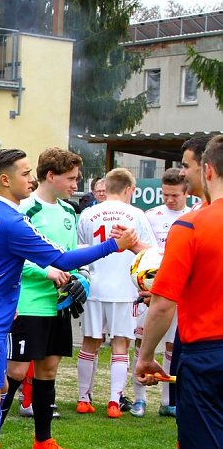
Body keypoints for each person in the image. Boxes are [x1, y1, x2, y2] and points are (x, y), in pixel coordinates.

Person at [0, 148, 137, 449]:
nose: (31, 178)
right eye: (24, 173)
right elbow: (60, 259)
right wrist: (114, 245)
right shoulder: (11, 220)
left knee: (1, 386)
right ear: (4, 180)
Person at [135, 134, 223, 449]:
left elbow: (163, 304)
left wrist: (146, 354)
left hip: (208, 354)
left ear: (207, 170)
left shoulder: (193, 224)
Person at [0, 148, 86, 449]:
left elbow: (72, 254)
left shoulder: (68, 212)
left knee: (48, 371)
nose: (77, 184)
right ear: (51, 176)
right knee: (16, 372)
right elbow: (15, 260)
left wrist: (79, 279)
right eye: (71, 178)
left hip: (57, 305)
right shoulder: (26, 209)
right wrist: (49, 271)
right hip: (28, 304)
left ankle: (43, 439)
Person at [75, 168, 154, 419]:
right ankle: (113, 400)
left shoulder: (88, 214)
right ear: (130, 189)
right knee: (121, 344)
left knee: (90, 342)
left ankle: (83, 398)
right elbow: (149, 253)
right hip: (123, 289)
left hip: (94, 287)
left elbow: (79, 249)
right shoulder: (136, 215)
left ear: (106, 188)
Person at [129, 168, 190, 418]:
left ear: (185, 192)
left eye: (174, 195)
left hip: (180, 293)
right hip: (151, 290)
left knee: (172, 345)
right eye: (165, 194)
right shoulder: (150, 216)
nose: (169, 199)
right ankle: (139, 399)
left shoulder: (192, 217)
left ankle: (168, 400)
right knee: (142, 342)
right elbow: (142, 254)